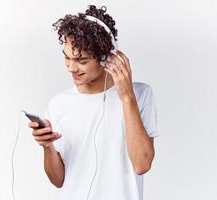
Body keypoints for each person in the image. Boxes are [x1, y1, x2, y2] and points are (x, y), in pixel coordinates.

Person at [28, 5, 159, 200]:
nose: (71, 68)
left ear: (106, 56)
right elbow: (58, 180)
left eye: (82, 60)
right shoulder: (58, 104)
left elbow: (142, 164)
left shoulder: (139, 95)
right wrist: (48, 147)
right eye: (67, 58)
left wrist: (126, 97)